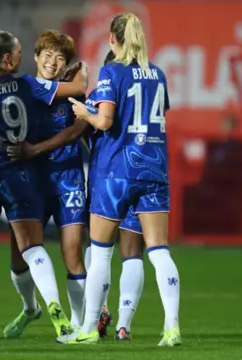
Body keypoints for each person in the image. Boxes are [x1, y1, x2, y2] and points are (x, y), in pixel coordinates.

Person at [64, 13, 181, 346]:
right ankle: (171, 327)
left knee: (100, 252)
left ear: (112, 40)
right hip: (154, 169)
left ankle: (88, 329)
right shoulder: (158, 74)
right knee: (159, 252)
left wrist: (83, 112)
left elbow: (104, 122)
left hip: (117, 171)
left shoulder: (112, 70)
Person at [0, 30, 86, 339]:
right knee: (28, 252)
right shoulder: (28, 85)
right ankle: (44, 309)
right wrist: (83, 75)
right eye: (22, 52)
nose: (51, 61)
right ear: (10, 58)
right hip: (24, 176)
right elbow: (80, 86)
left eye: (59, 57)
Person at [82, 50, 146, 341]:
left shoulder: (101, 91)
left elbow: (84, 131)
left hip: (107, 175)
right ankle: (124, 324)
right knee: (133, 252)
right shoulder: (149, 87)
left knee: (99, 248)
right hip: (142, 170)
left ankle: (97, 314)